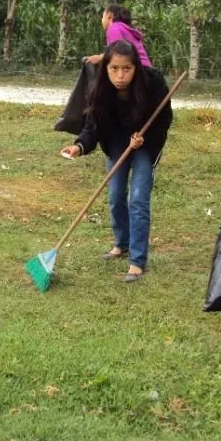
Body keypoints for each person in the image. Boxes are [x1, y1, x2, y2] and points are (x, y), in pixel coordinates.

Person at [60, 40, 172, 283]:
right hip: (117, 141)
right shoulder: (99, 88)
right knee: (115, 195)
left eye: (127, 69)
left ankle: (137, 261)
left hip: (145, 139)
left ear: (136, 68)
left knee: (139, 199)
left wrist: (146, 138)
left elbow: (163, 119)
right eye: (114, 69)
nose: (120, 75)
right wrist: (80, 146)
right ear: (106, 68)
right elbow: (93, 125)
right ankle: (122, 244)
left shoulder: (153, 83)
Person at [84, 5, 152, 68]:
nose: (101, 20)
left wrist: (99, 58)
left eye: (102, 16)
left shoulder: (114, 28)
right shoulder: (124, 28)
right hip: (145, 69)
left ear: (109, 16)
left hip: (138, 70)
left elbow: (118, 52)